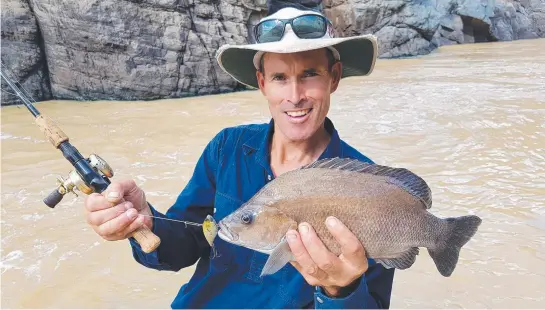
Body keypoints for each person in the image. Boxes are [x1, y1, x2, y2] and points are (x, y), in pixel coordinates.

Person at [83, 0, 395, 308]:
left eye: (310, 74)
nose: (295, 96)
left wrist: (341, 292)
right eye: (279, 78)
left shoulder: (370, 185)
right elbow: (184, 246)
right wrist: (143, 221)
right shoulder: (226, 147)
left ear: (334, 77)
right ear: (262, 83)